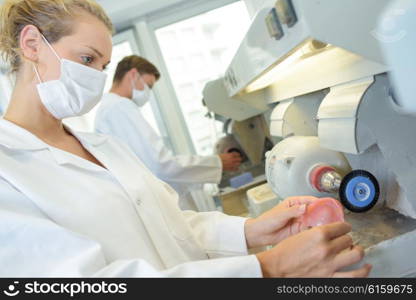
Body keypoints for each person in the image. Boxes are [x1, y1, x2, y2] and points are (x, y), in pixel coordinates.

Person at [0, 0, 371, 278]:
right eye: (86, 59)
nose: (97, 77)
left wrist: (250, 231)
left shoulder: (102, 147)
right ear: (32, 44)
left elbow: (173, 227)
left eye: (103, 66)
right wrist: (268, 267)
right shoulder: (8, 169)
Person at [94, 55, 242, 210]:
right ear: (133, 74)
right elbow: (161, 165)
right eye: (148, 86)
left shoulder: (110, 108)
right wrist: (217, 163)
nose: (148, 93)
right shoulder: (119, 108)